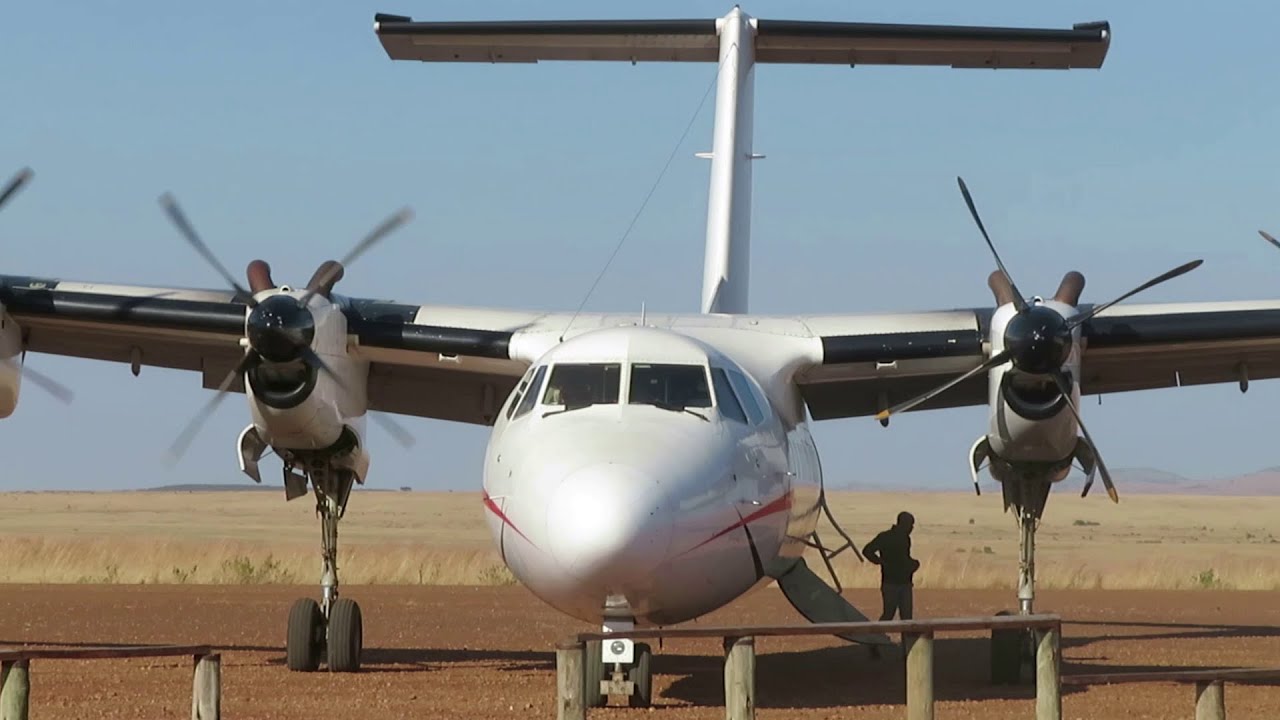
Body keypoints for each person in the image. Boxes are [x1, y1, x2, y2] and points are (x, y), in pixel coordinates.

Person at [862, 511, 920, 659]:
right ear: (904, 524)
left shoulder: (890, 537)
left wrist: (881, 562)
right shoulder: (895, 538)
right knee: (901, 617)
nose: (912, 527)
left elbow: (868, 551)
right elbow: (867, 551)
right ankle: (902, 649)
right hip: (896, 583)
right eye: (911, 524)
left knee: (895, 615)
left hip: (897, 582)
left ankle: (884, 644)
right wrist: (912, 565)